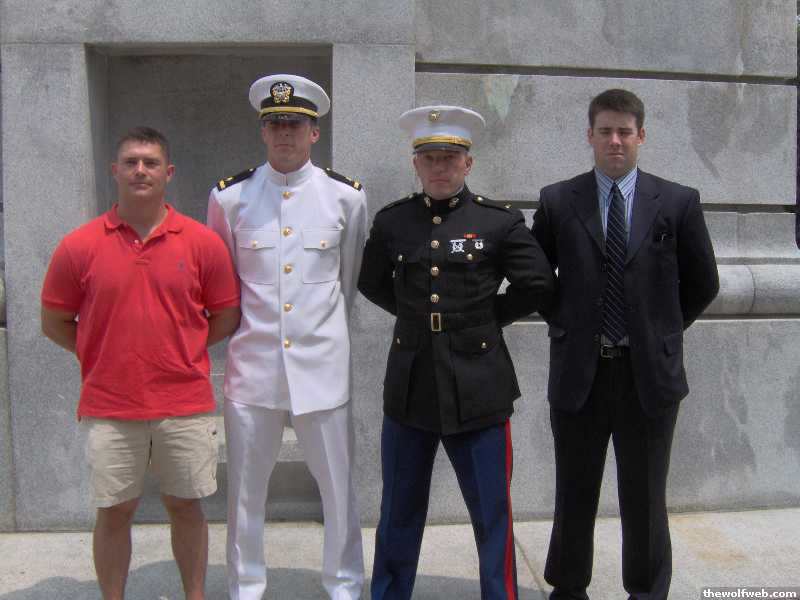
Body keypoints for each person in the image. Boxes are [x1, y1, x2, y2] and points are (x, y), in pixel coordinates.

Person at [358, 105, 554, 600]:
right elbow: (371, 282)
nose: (439, 167)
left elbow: (538, 283)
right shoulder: (393, 221)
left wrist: (483, 317)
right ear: (415, 164)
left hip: (479, 385)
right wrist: (418, 319)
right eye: (429, 158)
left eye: (450, 158)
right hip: (411, 387)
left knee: (492, 512)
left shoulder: (497, 221)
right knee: (398, 510)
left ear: (468, 163)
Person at [531, 89, 720, 600]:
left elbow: (703, 283)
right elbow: (536, 280)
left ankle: (647, 591)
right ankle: (569, 588)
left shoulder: (678, 202)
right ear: (589, 136)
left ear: (641, 136)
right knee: (574, 491)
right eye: (605, 131)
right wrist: (568, 324)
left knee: (646, 496)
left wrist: (658, 331)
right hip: (580, 373)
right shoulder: (557, 200)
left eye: (624, 131)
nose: (615, 140)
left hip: (649, 377)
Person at [40, 126, 241, 600]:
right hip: (111, 405)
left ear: (168, 173)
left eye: (150, 163)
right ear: (115, 171)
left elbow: (226, 315)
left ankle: (195, 596)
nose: (140, 170)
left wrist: (181, 350)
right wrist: (100, 352)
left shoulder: (202, 243)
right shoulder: (79, 245)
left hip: (184, 403)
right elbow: (54, 322)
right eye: (130, 162)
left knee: (186, 506)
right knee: (114, 512)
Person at [207, 74, 367, 600]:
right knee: (245, 493)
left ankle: (344, 585)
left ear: (314, 132)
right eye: (275, 124)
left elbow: (347, 281)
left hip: (321, 367)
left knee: (337, 488)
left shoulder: (345, 197)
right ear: (262, 131)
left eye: (295, 124)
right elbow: (223, 287)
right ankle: (246, 587)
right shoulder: (229, 199)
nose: (284, 133)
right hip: (253, 370)